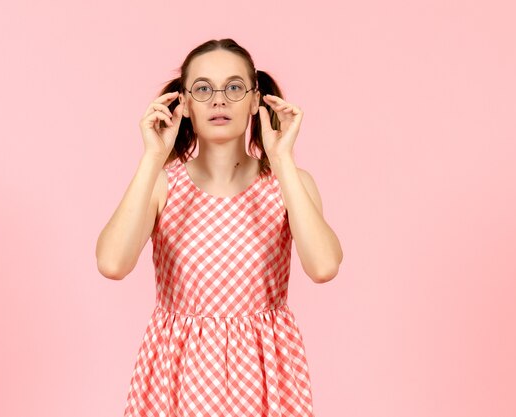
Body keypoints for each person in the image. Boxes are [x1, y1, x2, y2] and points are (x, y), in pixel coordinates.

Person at [96, 38, 343, 417]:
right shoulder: (163, 184)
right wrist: (152, 156)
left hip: (265, 374)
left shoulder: (290, 183)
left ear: (256, 99)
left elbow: (324, 267)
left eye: (233, 87)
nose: (218, 100)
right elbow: (112, 264)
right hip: (177, 373)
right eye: (203, 89)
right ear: (185, 102)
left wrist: (282, 159)